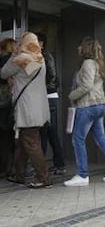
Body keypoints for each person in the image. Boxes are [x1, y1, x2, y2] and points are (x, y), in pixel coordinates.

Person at [64, 37, 105, 186]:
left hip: (88, 106)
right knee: (100, 138)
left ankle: (82, 175)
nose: (78, 49)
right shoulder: (97, 63)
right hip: (98, 105)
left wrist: (71, 95)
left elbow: (86, 86)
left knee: (77, 139)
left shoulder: (88, 63)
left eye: (80, 46)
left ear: (85, 48)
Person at [1, 32, 51, 188]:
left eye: (21, 41)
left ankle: (43, 178)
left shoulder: (22, 58)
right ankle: (19, 174)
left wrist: (13, 54)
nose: (19, 43)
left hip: (27, 108)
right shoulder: (40, 60)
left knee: (31, 142)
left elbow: (3, 73)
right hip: (37, 107)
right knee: (23, 143)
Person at [36, 32, 66, 176]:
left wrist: (42, 91)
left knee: (46, 131)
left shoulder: (45, 56)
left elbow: (51, 76)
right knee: (49, 132)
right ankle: (57, 164)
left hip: (48, 96)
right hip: (49, 95)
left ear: (41, 43)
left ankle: (43, 168)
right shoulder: (43, 55)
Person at [0, 38, 17, 178]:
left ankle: (4, 167)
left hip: (3, 102)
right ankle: (10, 168)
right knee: (10, 137)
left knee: (4, 137)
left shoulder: (4, 61)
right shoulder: (12, 61)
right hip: (10, 102)